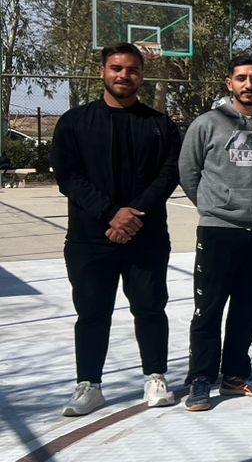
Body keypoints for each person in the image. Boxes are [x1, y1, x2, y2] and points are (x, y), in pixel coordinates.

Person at [55, 44, 182, 416]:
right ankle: (89, 385)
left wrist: (132, 214)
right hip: (90, 238)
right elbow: (68, 177)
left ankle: (155, 377)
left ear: (142, 75)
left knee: (150, 308)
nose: (124, 75)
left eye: (132, 70)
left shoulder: (160, 125)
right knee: (92, 312)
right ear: (103, 72)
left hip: (147, 237)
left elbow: (169, 174)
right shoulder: (75, 122)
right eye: (116, 68)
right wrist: (111, 214)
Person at [176, 53, 252, 411]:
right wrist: (214, 205)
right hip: (219, 229)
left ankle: (235, 374)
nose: (248, 84)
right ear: (230, 83)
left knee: (248, 308)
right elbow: (188, 171)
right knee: (209, 308)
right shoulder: (208, 123)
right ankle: (200, 378)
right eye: (241, 78)